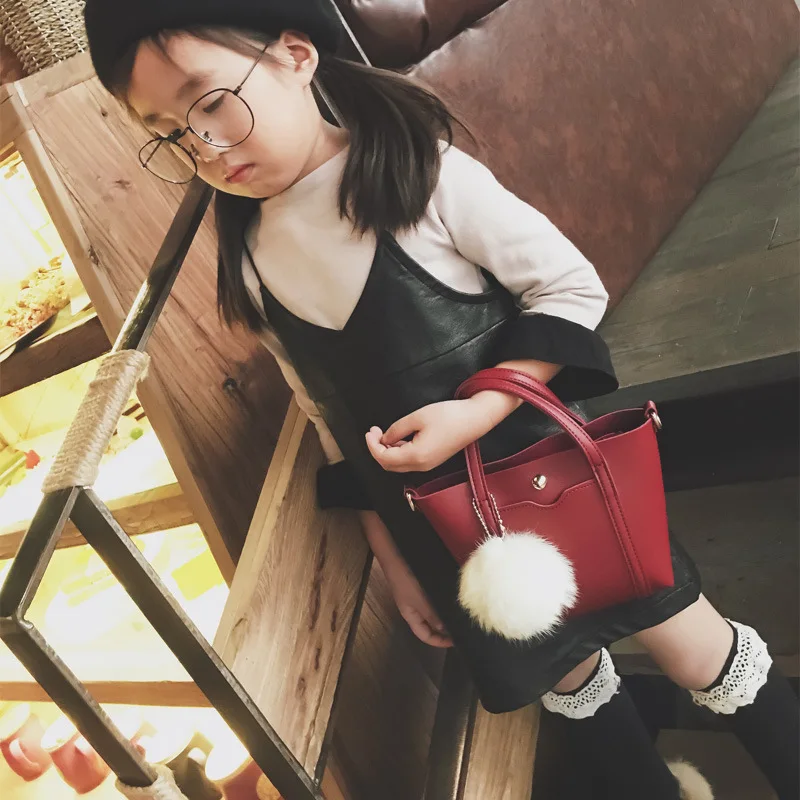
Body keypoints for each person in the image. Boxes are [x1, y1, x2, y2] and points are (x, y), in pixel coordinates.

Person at [82, 2, 799, 797]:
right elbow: (327, 417)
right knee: (565, 681)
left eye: (213, 102)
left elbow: (570, 289)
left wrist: (479, 409)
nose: (206, 146)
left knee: (697, 652)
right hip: (443, 529)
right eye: (170, 134)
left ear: (295, 54)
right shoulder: (247, 257)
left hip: (559, 482)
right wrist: (393, 557)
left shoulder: (419, 172)